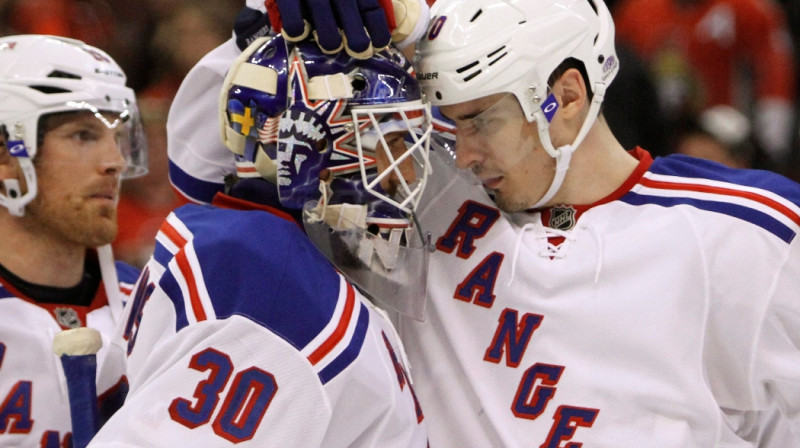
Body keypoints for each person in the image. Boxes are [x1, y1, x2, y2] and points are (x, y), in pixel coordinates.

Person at [404, 0, 800, 445]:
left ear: (567, 96)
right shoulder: (426, 189)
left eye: (481, 121)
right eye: (453, 124)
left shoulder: (747, 231)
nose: (464, 154)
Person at [88, 34, 432, 446]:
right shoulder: (281, 289)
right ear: (307, 150)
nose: (404, 173)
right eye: (385, 142)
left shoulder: (253, 247)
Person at [0, 34, 147, 446]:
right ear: (5, 156)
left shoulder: (152, 306)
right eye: (83, 135)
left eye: (117, 137)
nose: (114, 161)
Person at [612, 0, 797, 167]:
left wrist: (773, 148)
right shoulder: (635, 11)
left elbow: (775, 72)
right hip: (657, 133)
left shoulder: (748, 8)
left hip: (728, 130)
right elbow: (615, 78)